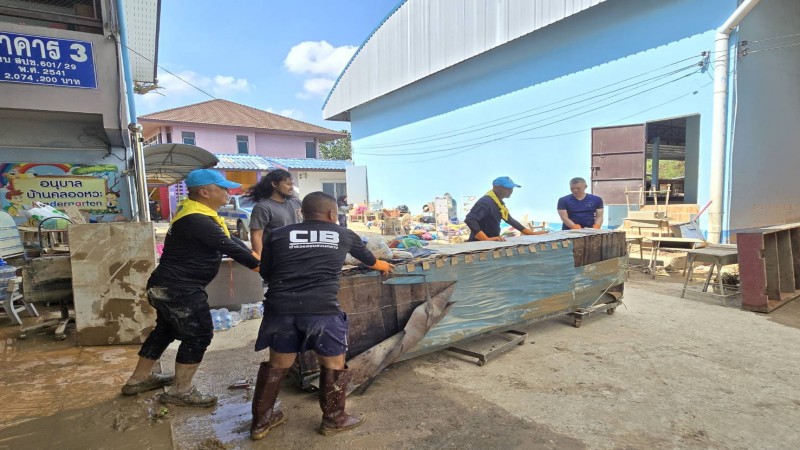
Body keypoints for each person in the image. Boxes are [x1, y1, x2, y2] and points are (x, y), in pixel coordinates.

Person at [249, 192, 394, 440]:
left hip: (280, 309)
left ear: (301, 213)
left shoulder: (278, 235)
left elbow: (267, 273)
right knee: (334, 363)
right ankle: (334, 419)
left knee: (278, 364)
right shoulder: (345, 235)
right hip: (322, 311)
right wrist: (382, 266)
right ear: (332, 214)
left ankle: (261, 423)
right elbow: (370, 259)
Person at [121, 169, 260, 407]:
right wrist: (265, 268)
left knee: (165, 330)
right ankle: (180, 391)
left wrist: (257, 257)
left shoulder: (198, 213)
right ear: (205, 192)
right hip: (179, 290)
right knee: (199, 334)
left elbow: (232, 241)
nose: (228, 192)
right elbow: (229, 247)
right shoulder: (197, 220)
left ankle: (139, 379)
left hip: (166, 286)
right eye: (222, 188)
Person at [464, 176, 546, 241]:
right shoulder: (486, 202)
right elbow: (470, 219)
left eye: (512, 188)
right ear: (496, 188)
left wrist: (530, 233)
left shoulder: (498, 203)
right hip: (478, 244)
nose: (511, 191)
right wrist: (485, 239)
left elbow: (509, 219)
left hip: (491, 242)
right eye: (507, 188)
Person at [246, 169, 302, 258]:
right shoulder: (263, 207)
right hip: (276, 257)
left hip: (297, 256)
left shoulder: (297, 203)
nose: (291, 187)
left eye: (292, 184)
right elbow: (257, 235)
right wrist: (259, 259)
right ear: (274, 184)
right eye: (288, 184)